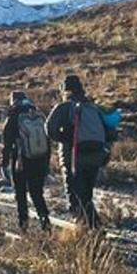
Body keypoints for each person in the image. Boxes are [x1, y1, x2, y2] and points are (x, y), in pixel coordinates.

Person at [46, 74, 111, 228]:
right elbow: (110, 133)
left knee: (75, 194)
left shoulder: (65, 107)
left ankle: (90, 228)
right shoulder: (93, 107)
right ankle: (90, 228)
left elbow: (49, 129)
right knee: (86, 193)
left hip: (74, 157)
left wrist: (65, 138)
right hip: (96, 156)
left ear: (64, 90)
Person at [1, 90, 52, 231]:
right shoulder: (38, 114)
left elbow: (7, 141)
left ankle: (23, 225)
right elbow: (47, 141)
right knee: (37, 192)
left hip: (21, 161)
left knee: (20, 193)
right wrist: (46, 163)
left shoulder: (14, 114)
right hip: (40, 159)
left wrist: (4, 161)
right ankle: (45, 220)